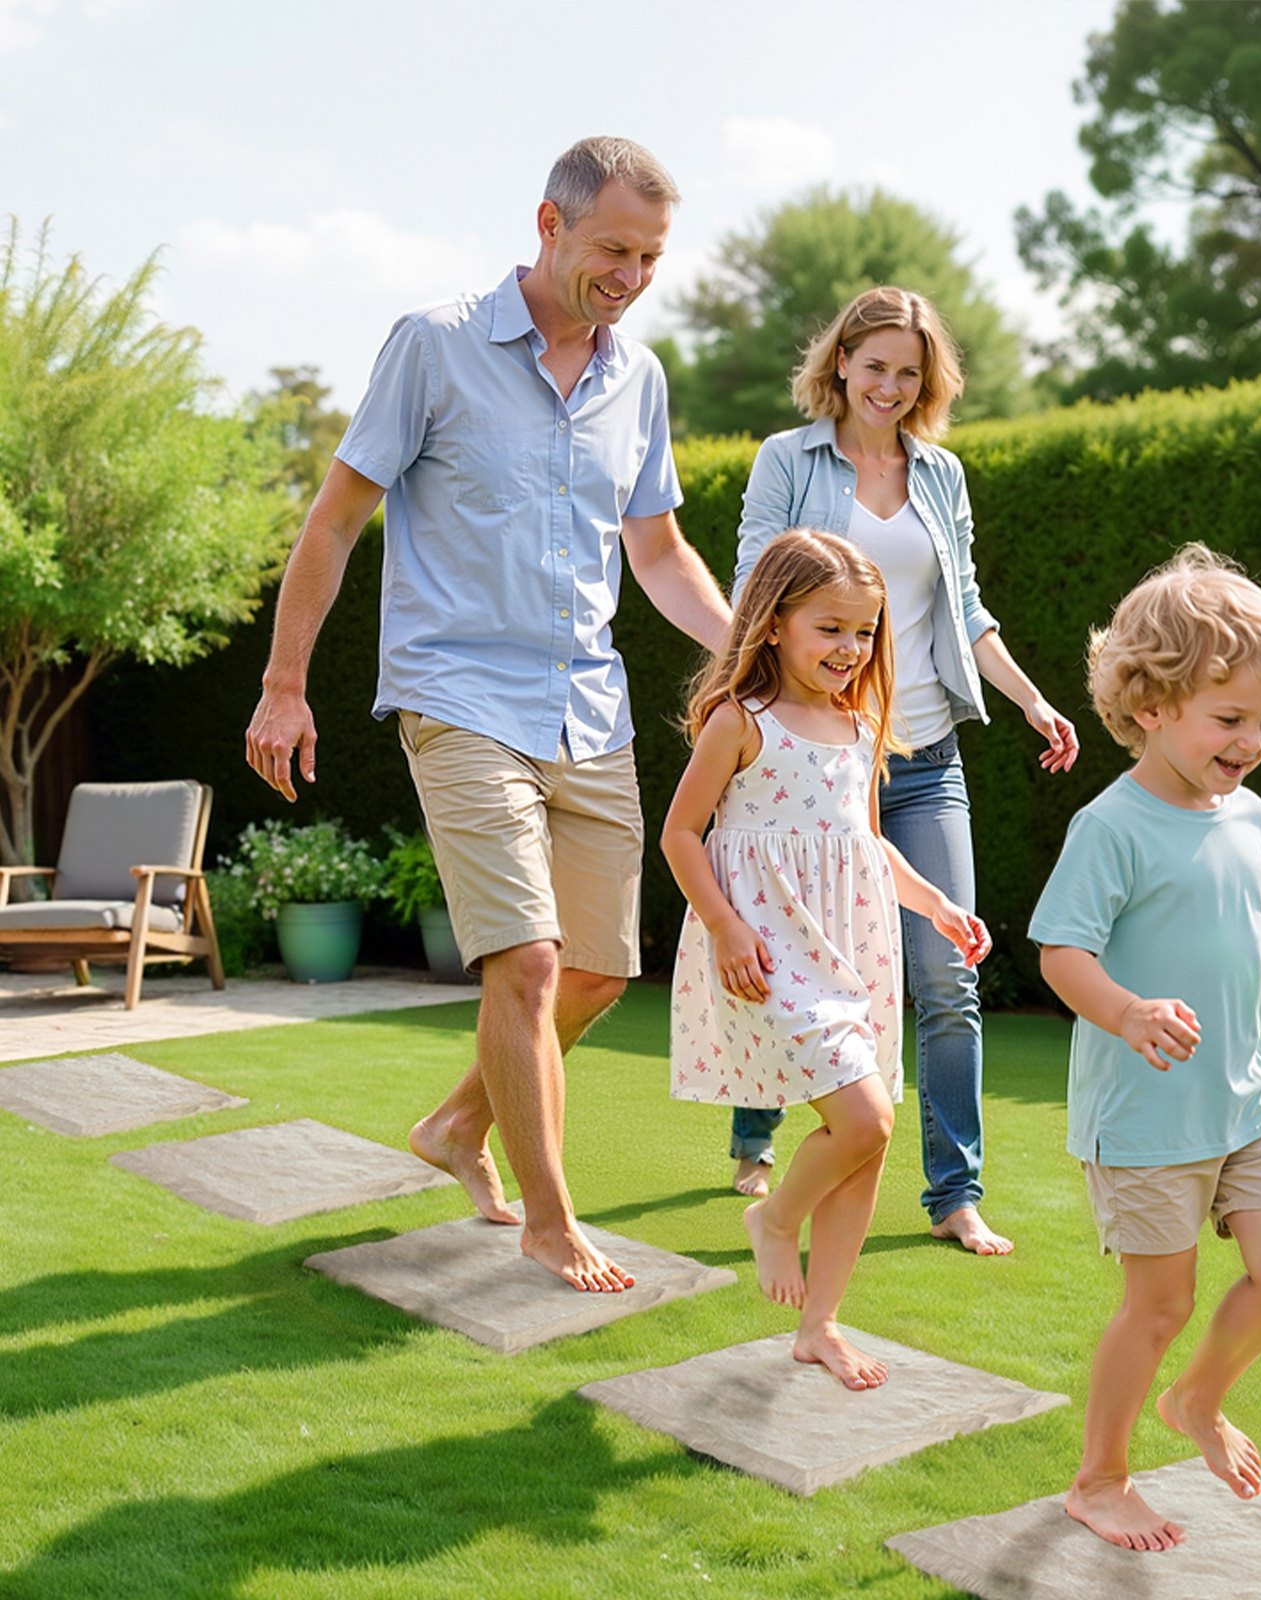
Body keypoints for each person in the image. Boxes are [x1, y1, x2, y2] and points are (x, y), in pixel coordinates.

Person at [244, 136, 730, 1295]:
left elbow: (657, 553)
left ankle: (457, 1125)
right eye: (614, 247)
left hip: (587, 706)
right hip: (456, 692)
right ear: (549, 225)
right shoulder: (436, 345)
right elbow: (335, 518)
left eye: (652, 255)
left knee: (600, 974)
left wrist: (755, 656)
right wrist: (281, 681)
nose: (631, 273)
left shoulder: (639, 381)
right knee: (525, 963)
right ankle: (549, 1219)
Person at [1028, 544, 1261, 1552]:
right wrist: (1127, 1012)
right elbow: (1060, 953)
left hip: (1241, 1099)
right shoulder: (1112, 825)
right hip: (1145, 1112)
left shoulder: (1249, 814)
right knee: (1158, 1304)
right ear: (1149, 706)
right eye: (1229, 718)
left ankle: (1195, 1398)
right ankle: (1097, 1480)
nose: (1253, 740)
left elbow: (1246, 924)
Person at [724, 286, 1077, 1258]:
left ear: (927, 382)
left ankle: (954, 1192)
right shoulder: (786, 460)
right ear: (839, 362)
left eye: (908, 371)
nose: (888, 385)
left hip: (922, 756)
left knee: (947, 969)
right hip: (815, 757)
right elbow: (754, 588)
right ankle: (756, 1130)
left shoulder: (941, 476)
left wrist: (1031, 697)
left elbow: (965, 604)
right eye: (873, 364)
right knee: (797, 962)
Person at [662, 530, 991, 1389]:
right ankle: (774, 1219)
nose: (851, 650)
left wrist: (940, 907)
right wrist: (728, 928)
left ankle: (821, 1326)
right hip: (769, 952)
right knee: (868, 1120)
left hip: (852, 951)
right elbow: (680, 835)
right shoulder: (740, 722)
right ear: (772, 624)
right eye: (830, 629)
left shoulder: (858, 726)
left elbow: (868, 847)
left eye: (865, 632)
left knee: (866, 1138)